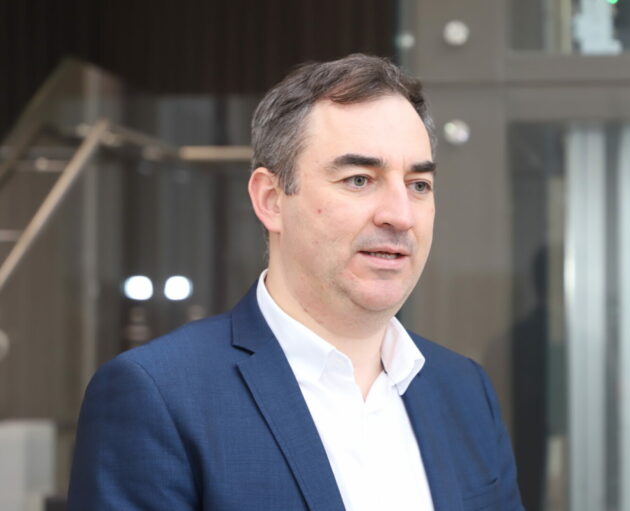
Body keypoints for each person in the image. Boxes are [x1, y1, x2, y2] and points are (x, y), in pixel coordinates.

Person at [68, 54, 525, 511]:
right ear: (271, 199)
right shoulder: (159, 396)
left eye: (418, 184)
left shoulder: (465, 391)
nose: (400, 215)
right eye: (359, 179)